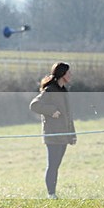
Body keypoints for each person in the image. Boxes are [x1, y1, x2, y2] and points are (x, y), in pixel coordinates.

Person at [30, 62, 76, 199]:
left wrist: (72, 134)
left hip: (63, 134)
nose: (71, 75)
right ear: (62, 74)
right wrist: (51, 111)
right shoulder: (50, 90)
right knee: (52, 165)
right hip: (53, 134)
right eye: (68, 73)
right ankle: (51, 194)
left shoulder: (63, 91)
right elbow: (35, 105)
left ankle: (53, 193)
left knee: (56, 165)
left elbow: (68, 116)